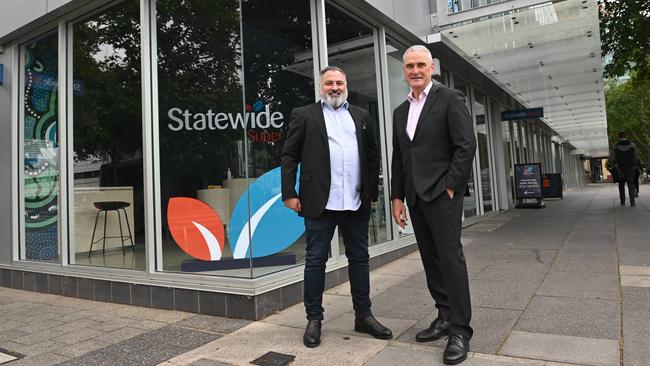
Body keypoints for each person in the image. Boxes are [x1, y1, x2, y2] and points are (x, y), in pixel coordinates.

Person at [281, 66, 392, 348]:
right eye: (329, 83)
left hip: (355, 201)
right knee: (316, 260)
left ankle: (363, 316)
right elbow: (289, 155)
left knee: (360, 259)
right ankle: (314, 319)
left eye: (339, 82)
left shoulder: (361, 115)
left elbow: (372, 154)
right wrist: (288, 193)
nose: (334, 87)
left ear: (346, 85)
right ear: (321, 87)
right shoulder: (304, 115)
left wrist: (371, 192)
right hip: (319, 201)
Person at [390, 45, 476, 365]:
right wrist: (397, 197)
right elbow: (400, 156)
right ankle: (443, 315)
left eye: (420, 65)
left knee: (450, 259)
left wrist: (451, 187)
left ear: (431, 67)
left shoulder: (450, 99)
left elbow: (466, 146)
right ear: (404, 71)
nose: (414, 70)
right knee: (430, 260)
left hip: (442, 195)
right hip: (414, 197)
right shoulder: (401, 111)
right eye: (409, 66)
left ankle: (460, 330)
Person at [609, 131, 641, 207]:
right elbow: (635, 156)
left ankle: (622, 201)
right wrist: (636, 165)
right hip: (630, 168)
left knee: (621, 185)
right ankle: (632, 202)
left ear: (618, 137)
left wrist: (611, 165)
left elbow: (612, 158)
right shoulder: (632, 145)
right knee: (631, 185)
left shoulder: (615, 146)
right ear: (626, 136)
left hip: (620, 168)